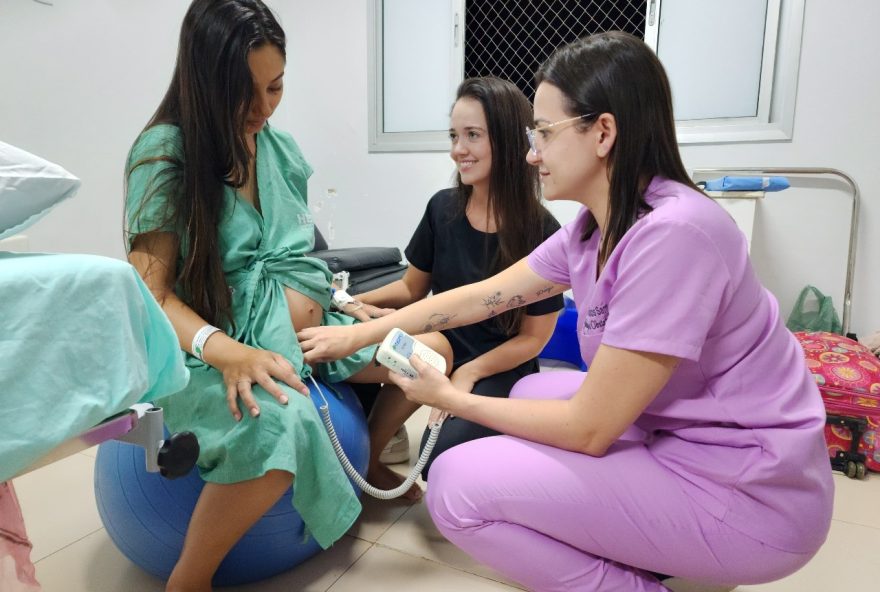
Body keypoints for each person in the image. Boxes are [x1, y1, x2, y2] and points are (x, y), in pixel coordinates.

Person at [298, 32, 834, 591]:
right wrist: (355, 337)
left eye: (544, 134)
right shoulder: (591, 229)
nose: (533, 153)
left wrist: (453, 397)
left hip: (752, 494)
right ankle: (635, 540)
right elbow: (475, 296)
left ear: (602, 132)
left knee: (455, 485)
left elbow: (589, 429)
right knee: (531, 394)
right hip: (684, 437)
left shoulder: (677, 236)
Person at [124, 1, 450, 589]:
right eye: (244, 92)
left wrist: (351, 311)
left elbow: (301, 260)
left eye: (275, 87)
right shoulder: (164, 156)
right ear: (203, 82)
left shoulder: (276, 147)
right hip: (211, 348)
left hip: (309, 334)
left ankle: (372, 462)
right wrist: (226, 351)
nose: (262, 108)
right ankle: (189, 578)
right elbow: (151, 295)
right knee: (280, 421)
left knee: (431, 351)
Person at [352, 76, 563, 479]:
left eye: (472, 136)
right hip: (439, 348)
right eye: (453, 135)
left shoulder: (542, 233)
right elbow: (411, 288)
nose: (457, 150)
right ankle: (369, 463)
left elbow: (534, 339)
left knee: (439, 464)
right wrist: (362, 304)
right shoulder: (442, 208)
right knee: (406, 352)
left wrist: (468, 373)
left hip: (497, 366)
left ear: (505, 140)